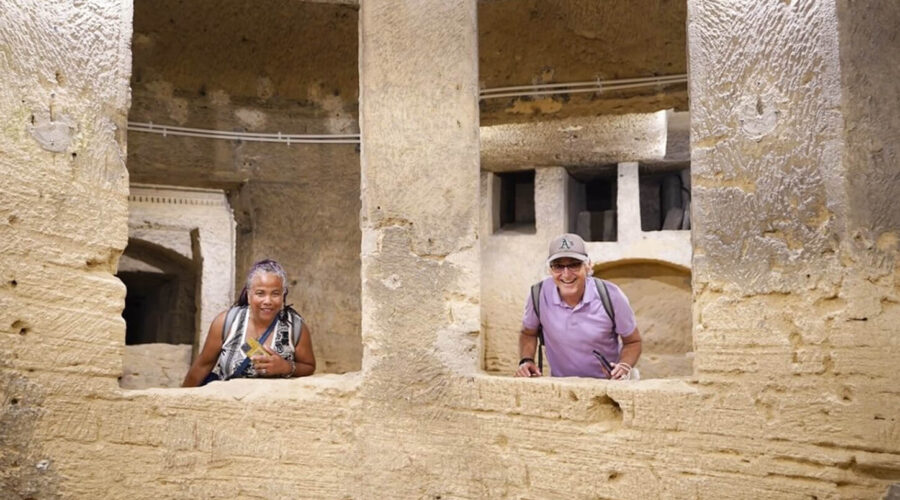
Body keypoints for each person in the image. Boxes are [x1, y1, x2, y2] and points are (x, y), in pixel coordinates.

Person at [515, 233, 642, 379]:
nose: (566, 274)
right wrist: (526, 360)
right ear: (550, 269)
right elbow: (528, 333)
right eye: (558, 266)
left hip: (607, 386)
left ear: (588, 266)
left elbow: (633, 341)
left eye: (574, 264)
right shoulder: (538, 295)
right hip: (562, 386)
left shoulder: (611, 295)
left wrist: (624, 366)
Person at [182, 259, 315, 386]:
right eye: (260, 293)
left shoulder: (295, 327)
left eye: (275, 294)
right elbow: (202, 366)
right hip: (229, 400)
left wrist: (286, 367)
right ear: (249, 295)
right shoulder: (226, 323)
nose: (267, 301)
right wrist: (180, 397)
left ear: (283, 295)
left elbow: (309, 366)